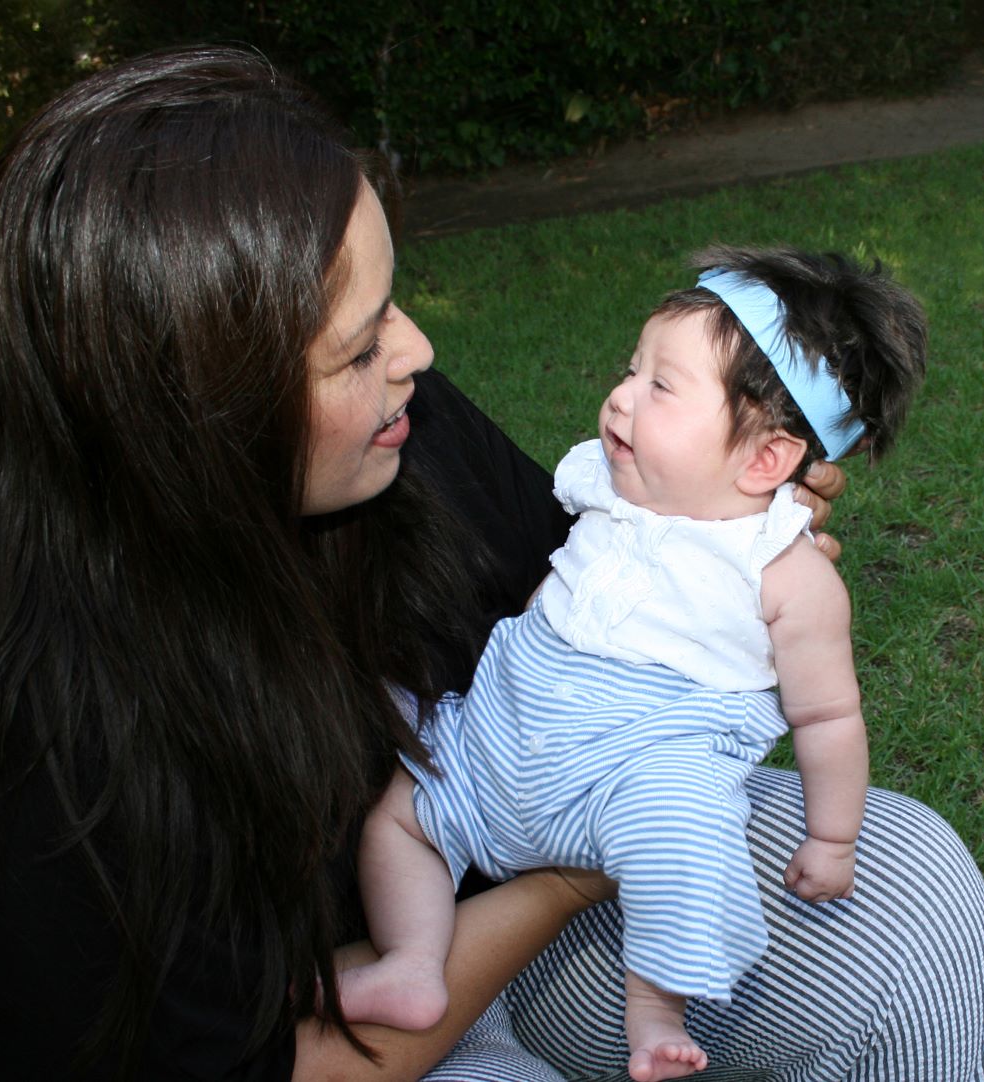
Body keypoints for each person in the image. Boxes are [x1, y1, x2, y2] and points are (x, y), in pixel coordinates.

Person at [0, 45, 984, 1081]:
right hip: (344, 1020)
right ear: (194, 414)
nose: (415, 350)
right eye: (358, 346)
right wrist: (585, 864)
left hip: (497, 866)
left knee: (909, 889)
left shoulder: (389, 431)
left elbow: (583, 601)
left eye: (393, 301)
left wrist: (711, 543)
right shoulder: (30, 738)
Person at [338, 247, 924, 1081]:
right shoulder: (609, 484)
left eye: (661, 386)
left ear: (765, 460)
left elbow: (828, 716)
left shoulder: (788, 576)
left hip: (624, 781)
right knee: (399, 814)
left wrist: (833, 837)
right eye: (630, 368)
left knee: (681, 830)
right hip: (491, 750)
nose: (620, 394)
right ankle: (412, 963)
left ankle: (654, 1010)